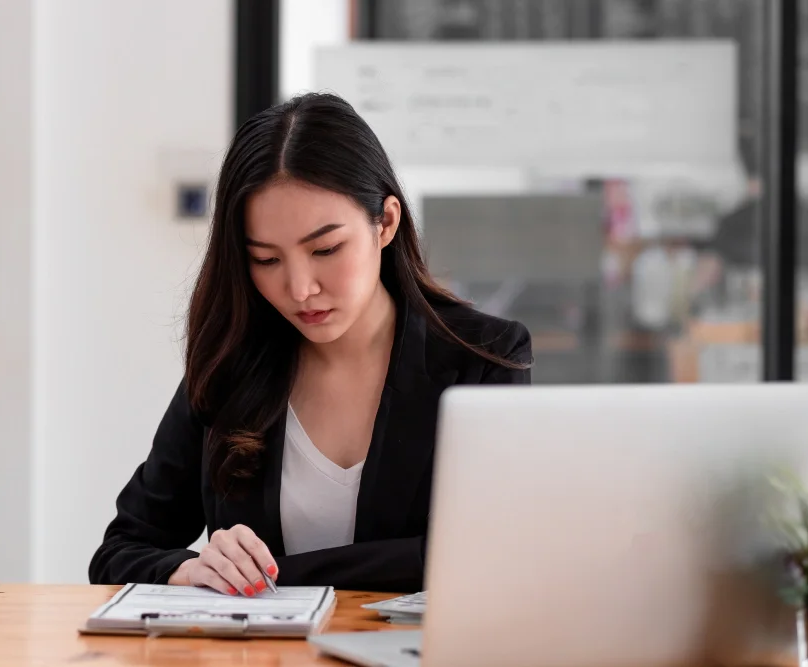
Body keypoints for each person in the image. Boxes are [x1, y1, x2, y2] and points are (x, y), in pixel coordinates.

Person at [88, 93, 532, 595]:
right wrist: (192, 570)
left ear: (385, 223)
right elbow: (120, 551)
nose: (299, 289)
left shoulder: (484, 357)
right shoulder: (232, 362)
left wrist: (272, 578)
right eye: (266, 259)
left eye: (325, 249)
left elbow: (482, 555)